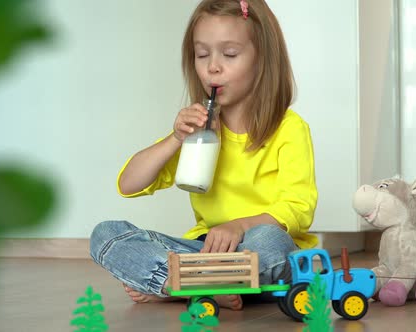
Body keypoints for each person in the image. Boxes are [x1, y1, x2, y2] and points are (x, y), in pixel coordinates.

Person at [90, 0, 318, 311]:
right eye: (202, 55)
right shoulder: (199, 129)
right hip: (204, 249)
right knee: (106, 234)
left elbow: (297, 209)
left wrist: (238, 227)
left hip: (260, 251)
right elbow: (129, 183)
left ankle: (176, 285)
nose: (213, 66)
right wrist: (176, 138)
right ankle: (208, 283)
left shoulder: (289, 128)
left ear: (262, 60)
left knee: (269, 241)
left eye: (230, 54)